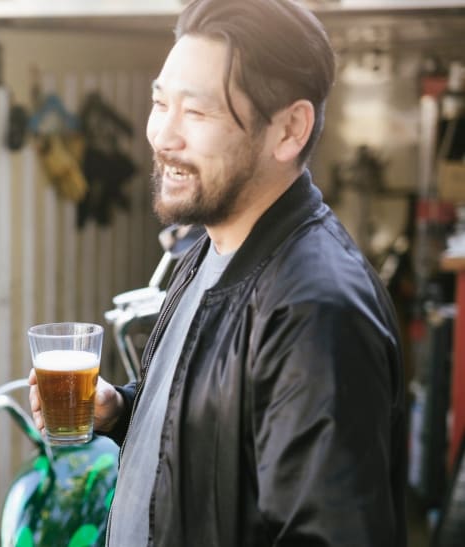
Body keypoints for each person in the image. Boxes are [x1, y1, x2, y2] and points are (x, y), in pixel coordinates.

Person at [29, 0, 406, 545]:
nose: (163, 137)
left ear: (289, 129)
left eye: (197, 113)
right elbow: (225, 446)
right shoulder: (210, 249)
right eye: (161, 103)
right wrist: (123, 410)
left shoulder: (316, 311)